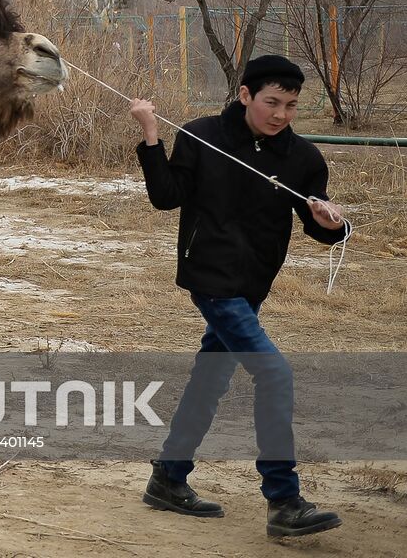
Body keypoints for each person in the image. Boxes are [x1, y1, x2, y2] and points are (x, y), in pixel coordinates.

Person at [131, 55, 347, 539]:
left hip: (253, 284)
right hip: (211, 279)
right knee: (274, 373)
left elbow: (320, 227)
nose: (281, 115)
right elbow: (166, 196)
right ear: (245, 95)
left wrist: (331, 223)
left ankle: (168, 476)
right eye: (272, 102)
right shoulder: (202, 135)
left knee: (211, 378)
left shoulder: (303, 158)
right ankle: (284, 500)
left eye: (291, 105)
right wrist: (151, 134)